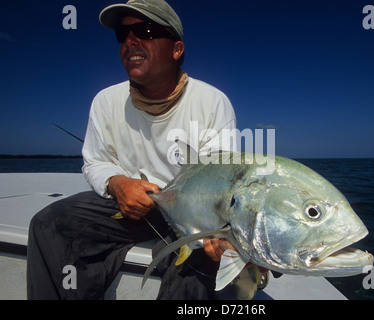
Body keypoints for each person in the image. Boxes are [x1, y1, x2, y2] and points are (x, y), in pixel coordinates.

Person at [26, 0, 238, 300]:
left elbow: (220, 184)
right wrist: (118, 183)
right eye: (122, 34)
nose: (130, 41)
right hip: (128, 210)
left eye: (146, 30)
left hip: (192, 217)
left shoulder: (212, 102)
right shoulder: (105, 101)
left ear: (177, 49)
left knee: (198, 268)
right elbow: (96, 162)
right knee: (48, 225)